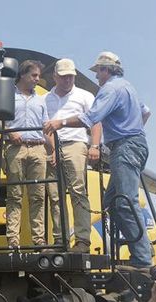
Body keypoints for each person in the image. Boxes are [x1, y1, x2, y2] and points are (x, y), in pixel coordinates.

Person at [43, 51, 152, 268]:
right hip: (131, 144)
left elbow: (90, 118)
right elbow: (146, 113)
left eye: (98, 71)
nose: (96, 77)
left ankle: (142, 258)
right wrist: (133, 130)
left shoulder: (109, 90)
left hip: (124, 147)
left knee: (125, 202)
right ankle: (138, 252)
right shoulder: (127, 87)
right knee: (112, 202)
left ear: (106, 69)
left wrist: (60, 123)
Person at [45, 58, 97, 252]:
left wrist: (95, 146)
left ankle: (83, 240)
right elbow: (44, 126)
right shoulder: (45, 99)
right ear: (55, 77)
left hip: (76, 144)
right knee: (55, 195)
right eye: (64, 76)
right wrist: (50, 149)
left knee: (78, 192)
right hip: (51, 147)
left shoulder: (85, 96)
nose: (68, 80)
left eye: (71, 76)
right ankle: (60, 240)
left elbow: (96, 121)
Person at [3, 60, 53, 248]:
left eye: (38, 76)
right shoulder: (7, 96)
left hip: (38, 148)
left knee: (38, 195)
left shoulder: (41, 99)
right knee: (14, 194)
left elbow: (46, 127)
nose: (37, 79)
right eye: (34, 75)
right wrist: (9, 131)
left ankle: (38, 239)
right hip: (16, 148)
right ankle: (13, 240)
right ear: (23, 75)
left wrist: (54, 151)